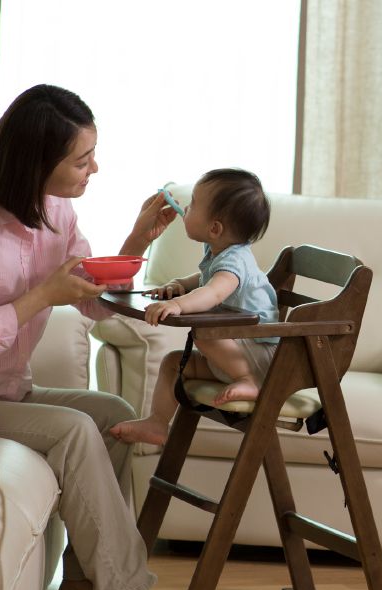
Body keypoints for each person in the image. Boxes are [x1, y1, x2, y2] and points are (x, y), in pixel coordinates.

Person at [0, 84, 182, 590]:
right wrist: (44, 293)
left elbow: (91, 299)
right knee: (73, 432)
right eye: (82, 159)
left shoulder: (55, 210)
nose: (94, 169)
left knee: (113, 416)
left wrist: (138, 241)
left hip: (4, 391)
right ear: (37, 162)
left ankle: (85, 583)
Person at [109, 168, 279, 447]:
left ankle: (249, 382)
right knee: (173, 364)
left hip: (259, 357)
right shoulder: (219, 253)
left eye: (194, 204)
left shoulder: (235, 262)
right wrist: (180, 284)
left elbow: (213, 291)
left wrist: (177, 303)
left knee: (204, 336)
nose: (186, 208)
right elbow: (204, 280)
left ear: (215, 228)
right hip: (238, 352)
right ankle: (157, 422)